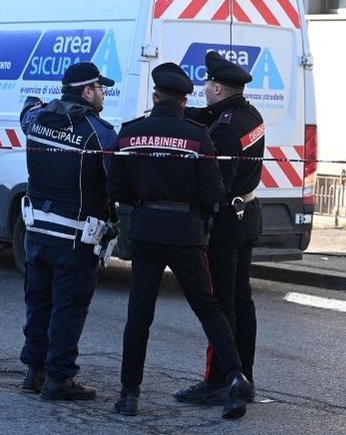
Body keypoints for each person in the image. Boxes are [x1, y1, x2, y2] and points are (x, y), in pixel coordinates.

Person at [108, 62, 254, 419]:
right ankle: (236, 377)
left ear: (155, 97)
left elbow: (117, 189)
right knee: (208, 307)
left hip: (145, 230)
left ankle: (129, 395)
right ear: (184, 100)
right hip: (185, 232)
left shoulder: (130, 133)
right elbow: (213, 192)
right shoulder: (197, 136)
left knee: (139, 315)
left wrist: (144, 202)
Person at [19, 62, 117, 400]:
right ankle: (59, 378)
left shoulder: (37, 119)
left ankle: (34, 370)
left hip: (36, 232)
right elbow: (116, 182)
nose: (103, 93)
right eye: (100, 88)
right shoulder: (98, 133)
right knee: (68, 308)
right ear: (87, 91)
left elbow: (27, 110)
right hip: (75, 237)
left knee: (39, 302)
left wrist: (38, 103)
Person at [174, 51, 264, 405]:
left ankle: (218, 380)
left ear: (215, 87)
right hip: (248, 214)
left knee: (221, 304)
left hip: (225, 222)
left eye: (207, 85)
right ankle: (245, 374)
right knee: (242, 300)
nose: (203, 91)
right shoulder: (247, 114)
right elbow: (203, 116)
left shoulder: (225, 130)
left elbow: (216, 186)